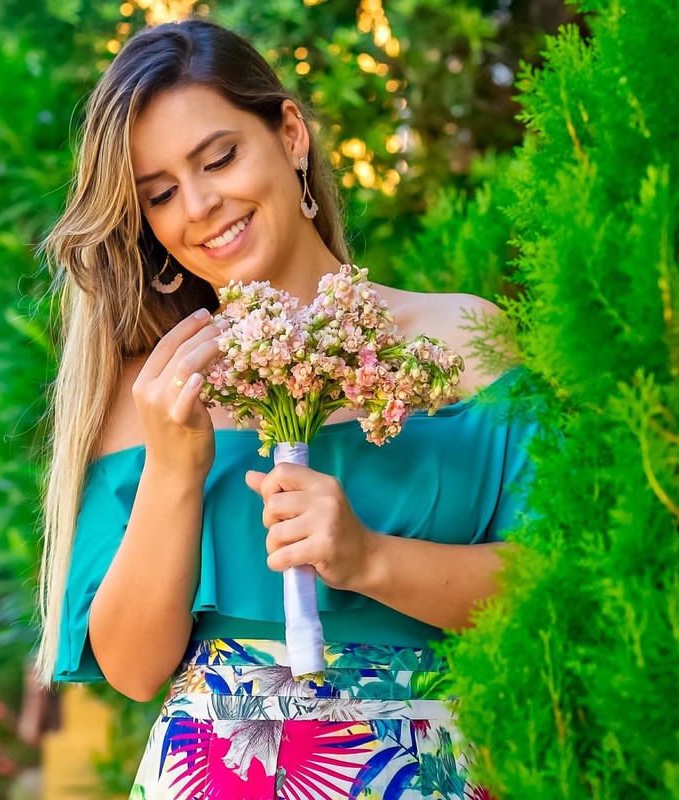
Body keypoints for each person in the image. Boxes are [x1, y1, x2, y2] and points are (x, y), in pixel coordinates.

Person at [36, 18, 537, 799]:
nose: (199, 206)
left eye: (220, 158)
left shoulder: (464, 340)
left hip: (438, 768)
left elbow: (554, 583)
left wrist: (372, 560)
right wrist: (176, 470)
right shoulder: (156, 395)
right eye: (160, 194)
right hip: (213, 773)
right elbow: (133, 671)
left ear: (292, 134)